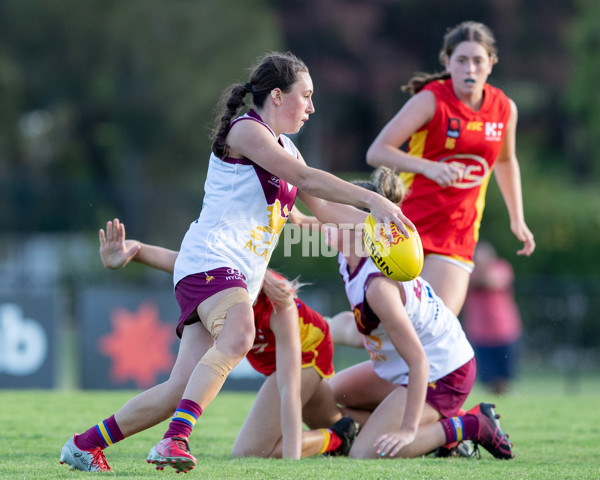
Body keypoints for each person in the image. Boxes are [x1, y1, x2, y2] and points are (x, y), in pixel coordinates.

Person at [60, 51, 409, 473]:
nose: (312, 108)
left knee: (178, 390)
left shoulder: (289, 150)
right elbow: (306, 180)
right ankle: (175, 440)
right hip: (212, 261)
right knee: (241, 333)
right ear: (277, 97)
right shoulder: (247, 129)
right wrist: (373, 198)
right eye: (307, 96)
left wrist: (386, 227)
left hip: (220, 272)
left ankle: (84, 445)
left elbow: (326, 210)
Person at [60, 220, 357, 473]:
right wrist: (128, 251)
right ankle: (86, 443)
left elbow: (289, 388)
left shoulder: (278, 302)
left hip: (309, 354)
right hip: (275, 364)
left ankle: (337, 440)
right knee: (179, 389)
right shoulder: (212, 274)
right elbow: (176, 260)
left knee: (250, 450)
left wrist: (292, 464)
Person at [291, 167, 514, 460]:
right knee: (325, 400)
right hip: (403, 366)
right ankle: (427, 424)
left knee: (364, 454)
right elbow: (318, 216)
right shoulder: (355, 248)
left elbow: (419, 361)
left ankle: (467, 425)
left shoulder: (378, 288)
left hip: (443, 372)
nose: (327, 216)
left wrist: (408, 429)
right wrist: (294, 213)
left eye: (337, 210)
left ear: (359, 225)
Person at [366, 21, 535, 316]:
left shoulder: (505, 109)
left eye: (478, 61)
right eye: (462, 60)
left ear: (491, 64)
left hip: (457, 235)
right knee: (388, 337)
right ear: (447, 62)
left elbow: (506, 161)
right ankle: (323, 332)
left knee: (436, 329)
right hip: (407, 227)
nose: (470, 68)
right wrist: (427, 167)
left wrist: (517, 218)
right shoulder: (431, 100)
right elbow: (376, 152)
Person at [461, 240, 523, 395]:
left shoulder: (501, 268)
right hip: (480, 333)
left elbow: (492, 282)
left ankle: (504, 400)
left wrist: (480, 268)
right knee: (488, 378)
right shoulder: (467, 272)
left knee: (505, 377)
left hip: (505, 331)